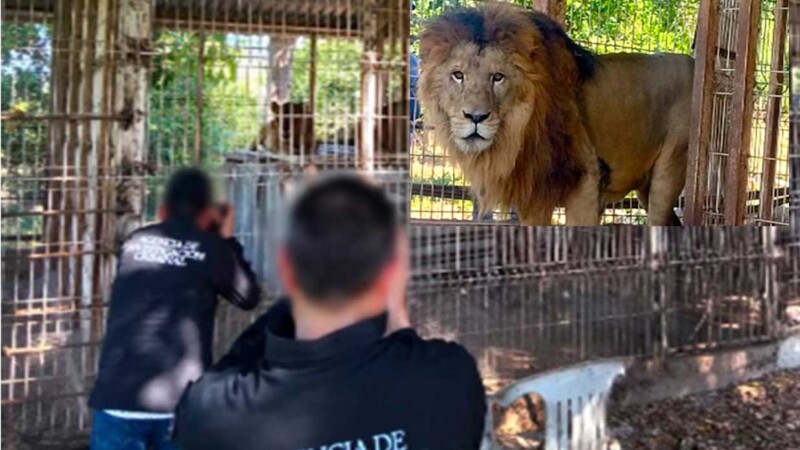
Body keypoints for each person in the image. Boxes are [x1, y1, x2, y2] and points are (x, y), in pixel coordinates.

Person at [173, 175, 487, 450]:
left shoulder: (211, 411)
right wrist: (397, 315)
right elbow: (407, 348)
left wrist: (294, 299)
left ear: (286, 269)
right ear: (390, 274)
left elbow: (231, 368)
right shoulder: (451, 376)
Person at [88, 167, 261, 450]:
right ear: (209, 212)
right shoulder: (213, 249)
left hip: (117, 397)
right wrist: (227, 239)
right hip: (181, 403)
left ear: (162, 209)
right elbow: (248, 297)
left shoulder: (135, 242)